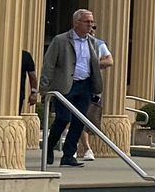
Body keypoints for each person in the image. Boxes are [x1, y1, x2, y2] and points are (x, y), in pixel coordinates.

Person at [42, 9, 111, 169]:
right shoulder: (60, 40)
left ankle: (68, 155)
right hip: (65, 85)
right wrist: (44, 89)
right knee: (63, 118)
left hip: (85, 86)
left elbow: (99, 63)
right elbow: (49, 64)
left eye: (91, 22)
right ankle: (49, 146)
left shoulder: (93, 42)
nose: (90, 25)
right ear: (76, 23)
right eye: (87, 21)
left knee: (80, 120)